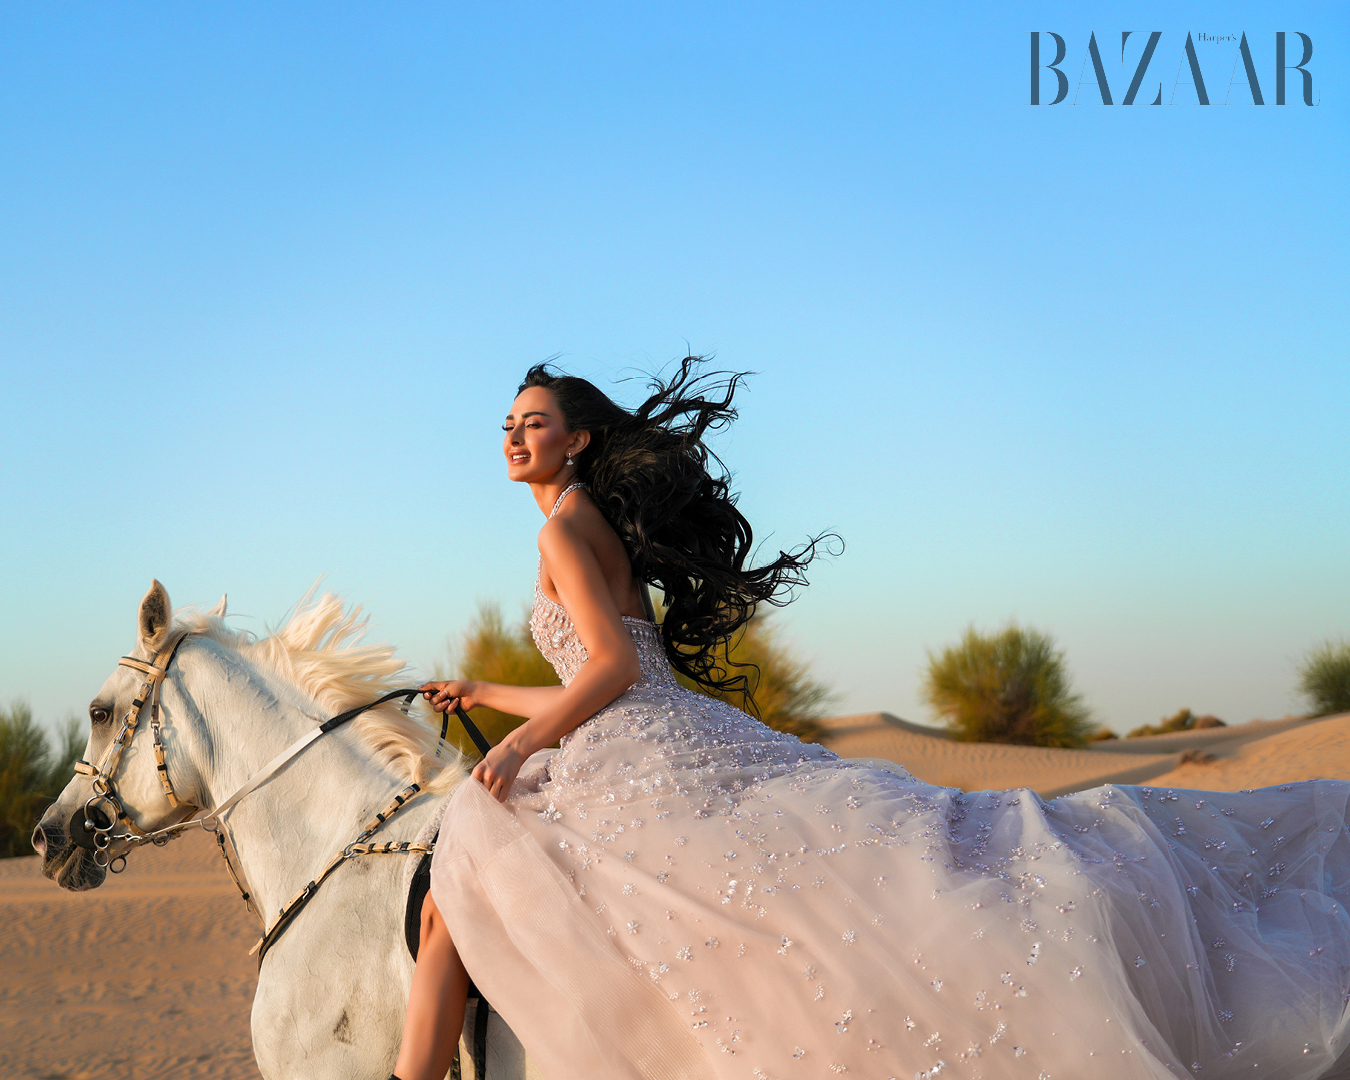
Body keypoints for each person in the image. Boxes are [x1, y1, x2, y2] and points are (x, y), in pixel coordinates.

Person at [394, 360, 1350, 1080]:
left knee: (461, 886)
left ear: (581, 440)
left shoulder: (561, 528)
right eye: (509, 424)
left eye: (535, 423)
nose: (514, 437)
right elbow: (623, 664)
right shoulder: (589, 525)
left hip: (630, 740)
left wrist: (519, 744)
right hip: (661, 725)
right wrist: (485, 696)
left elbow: (604, 667)